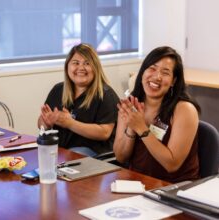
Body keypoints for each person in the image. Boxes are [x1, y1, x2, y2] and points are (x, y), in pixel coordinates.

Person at [113, 46, 201, 182]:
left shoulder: (184, 109)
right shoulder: (131, 104)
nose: (157, 76)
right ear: (143, 72)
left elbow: (172, 164)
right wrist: (131, 126)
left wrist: (141, 128)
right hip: (137, 184)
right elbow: (120, 157)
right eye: (152, 68)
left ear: (173, 81)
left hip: (174, 189)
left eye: (165, 72)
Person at [38, 43, 119, 157]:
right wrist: (46, 123)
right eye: (75, 63)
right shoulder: (58, 89)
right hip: (61, 149)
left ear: (95, 68)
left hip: (94, 153)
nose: (81, 68)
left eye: (87, 63)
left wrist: (70, 123)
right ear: (67, 66)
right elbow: (41, 123)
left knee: (69, 157)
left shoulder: (105, 94)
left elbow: (104, 132)